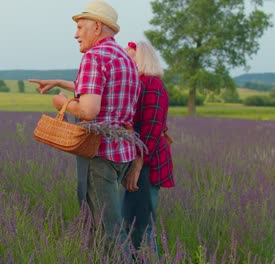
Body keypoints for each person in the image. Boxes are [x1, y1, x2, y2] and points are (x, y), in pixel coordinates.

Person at [29, 0, 141, 256]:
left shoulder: (94, 56)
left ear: (97, 27)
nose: (76, 33)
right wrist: (59, 81)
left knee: (107, 230)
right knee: (108, 226)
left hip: (98, 153)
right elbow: (105, 91)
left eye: (80, 27)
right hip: (121, 152)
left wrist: (62, 102)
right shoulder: (125, 58)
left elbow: (89, 110)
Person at [121, 40, 175, 253]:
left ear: (142, 60)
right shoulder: (138, 83)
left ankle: (148, 257)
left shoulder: (152, 85)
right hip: (138, 158)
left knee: (142, 221)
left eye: (130, 56)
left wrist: (137, 164)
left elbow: (151, 130)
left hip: (148, 161)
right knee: (132, 217)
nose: (125, 60)